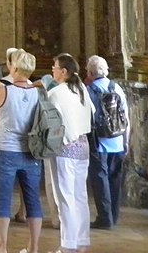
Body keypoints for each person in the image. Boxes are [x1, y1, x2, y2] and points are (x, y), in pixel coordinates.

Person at [0, 47, 43, 253]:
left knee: (3, 199)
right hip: (31, 151)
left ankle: (2, 247)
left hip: (6, 150)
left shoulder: (4, 90)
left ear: (15, 67)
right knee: (32, 200)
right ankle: (33, 248)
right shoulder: (37, 91)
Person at [47, 53, 93, 253]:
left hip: (64, 148)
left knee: (64, 197)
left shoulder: (57, 92)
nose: (52, 70)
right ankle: (82, 240)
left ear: (64, 71)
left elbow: (46, 118)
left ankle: (68, 244)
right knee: (80, 195)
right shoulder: (82, 88)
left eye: (55, 67)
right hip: (83, 145)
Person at [86, 53, 129, 229]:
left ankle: (104, 218)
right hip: (117, 140)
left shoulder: (88, 91)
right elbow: (126, 116)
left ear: (89, 72)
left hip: (99, 142)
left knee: (100, 179)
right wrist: (126, 141)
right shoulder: (117, 88)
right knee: (115, 180)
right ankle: (113, 215)